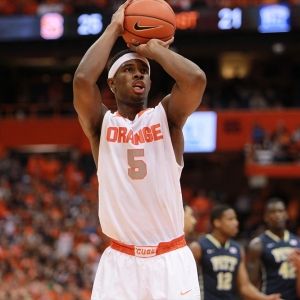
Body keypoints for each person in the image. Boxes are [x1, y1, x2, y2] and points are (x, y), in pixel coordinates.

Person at [73, 0, 207, 298]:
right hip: (120, 262)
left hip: (169, 258)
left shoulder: (167, 118)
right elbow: (82, 80)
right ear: (112, 82)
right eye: (129, 70)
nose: (139, 75)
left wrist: (154, 49)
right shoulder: (101, 126)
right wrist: (114, 29)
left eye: (144, 71)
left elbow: (196, 80)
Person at [189, 204, 282, 300]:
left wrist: (266, 298)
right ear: (217, 223)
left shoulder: (237, 248)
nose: (236, 223)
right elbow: (187, 283)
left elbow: (244, 286)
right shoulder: (198, 247)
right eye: (230, 219)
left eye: (236, 219)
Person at [247, 197, 300, 300]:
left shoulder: (298, 242)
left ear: (286, 214)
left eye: (280, 211)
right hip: (270, 297)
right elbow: (250, 285)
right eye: (273, 212)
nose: (277, 215)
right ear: (266, 217)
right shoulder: (257, 244)